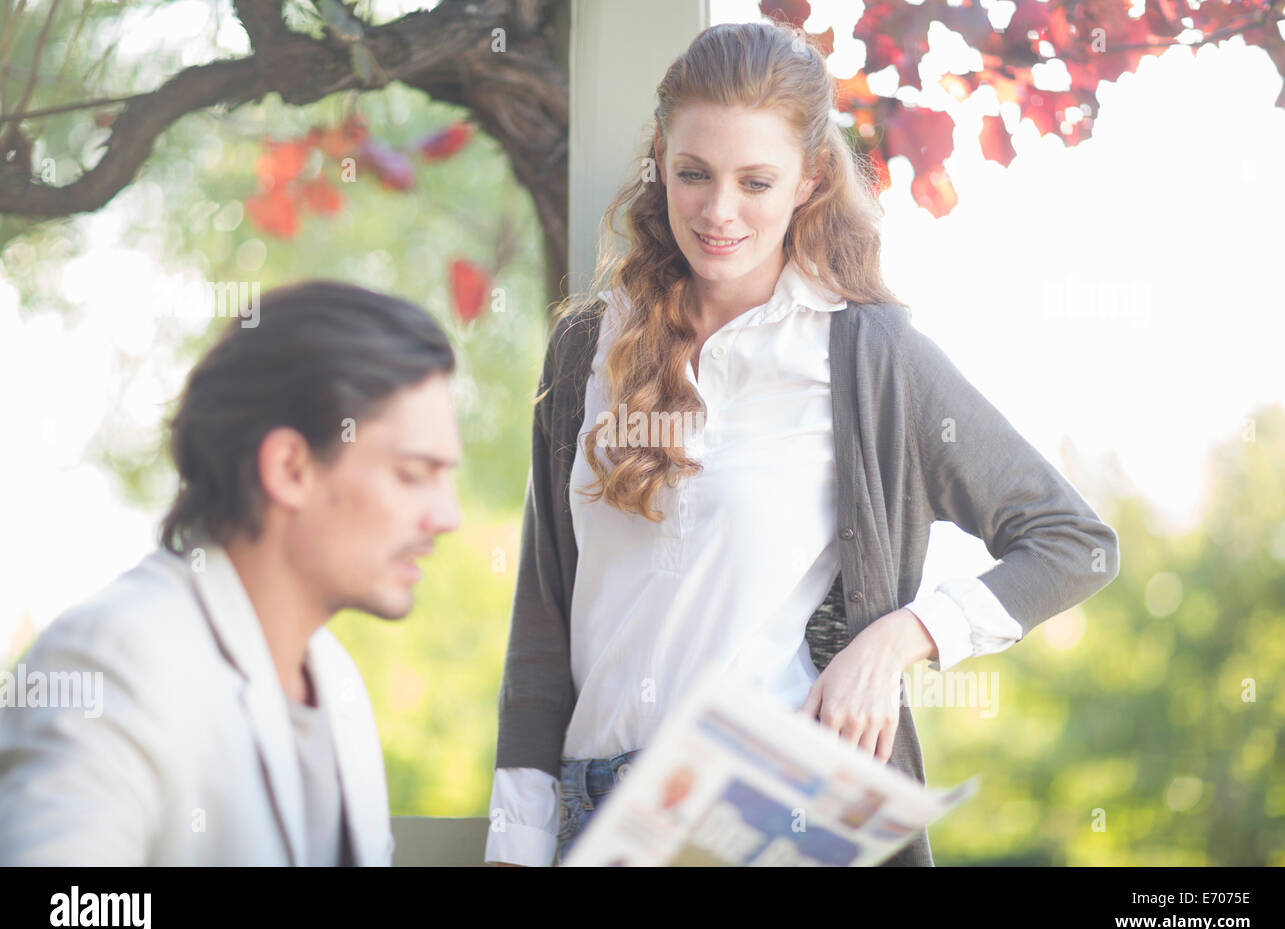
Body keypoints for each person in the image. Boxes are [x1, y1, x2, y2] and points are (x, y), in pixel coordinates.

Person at [486, 21, 1120, 867]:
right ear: (660, 164)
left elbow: (1073, 541)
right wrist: (515, 849)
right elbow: (541, 628)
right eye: (693, 175)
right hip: (594, 826)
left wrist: (897, 639)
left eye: (756, 182)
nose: (719, 212)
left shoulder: (866, 357)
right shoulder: (585, 354)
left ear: (810, 180)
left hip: (760, 823)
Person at [0, 281, 462, 865]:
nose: (449, 516)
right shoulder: (113, 663)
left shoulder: (336, 683)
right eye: (415, 473)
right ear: (291, 468)